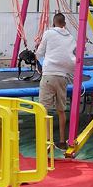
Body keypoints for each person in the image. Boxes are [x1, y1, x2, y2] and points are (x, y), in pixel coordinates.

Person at [36, 12, 76, 151]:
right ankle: (61, 141)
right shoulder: (71, 37)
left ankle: (48, 141)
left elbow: (39, 52)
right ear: (64, 24)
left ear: (54, 23)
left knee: (44, 109)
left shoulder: (48, 33)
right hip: (63, 76)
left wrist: (36, 55)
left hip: (49, 74)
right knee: (61, 110)